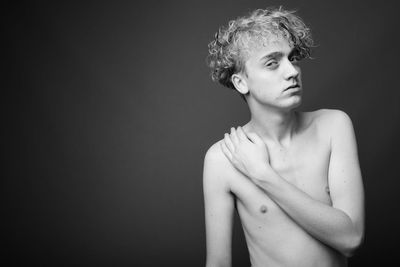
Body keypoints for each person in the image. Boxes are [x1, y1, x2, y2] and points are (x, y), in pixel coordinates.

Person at [203, 7, 364, 267]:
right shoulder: (223, 159)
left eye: (292, 58)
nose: (292, 71)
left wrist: (262, 174)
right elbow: (218, 263)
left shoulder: (334, 126)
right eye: (272, 63)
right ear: (241, 82)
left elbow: (351, 238)